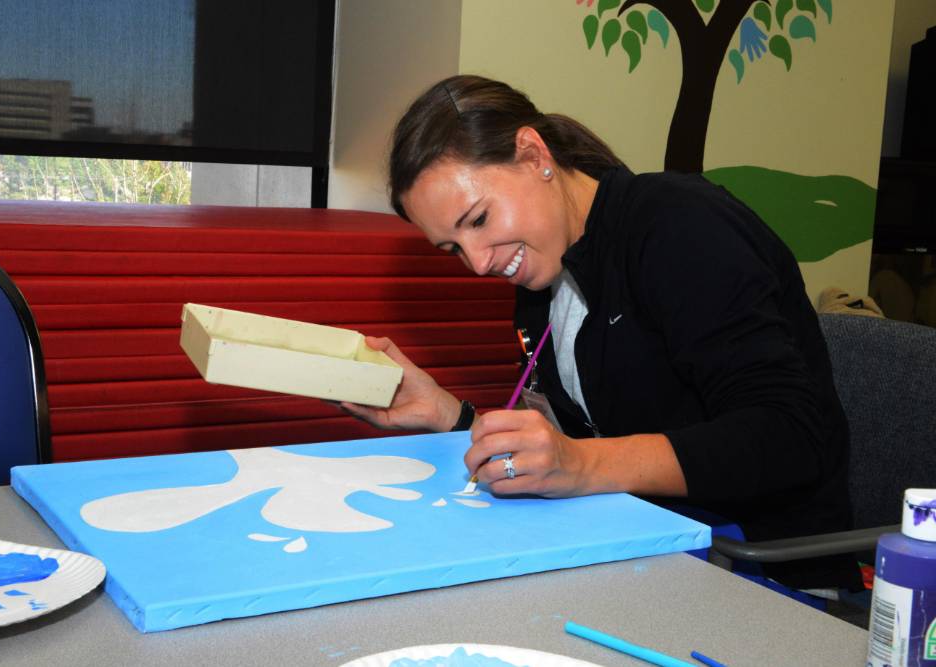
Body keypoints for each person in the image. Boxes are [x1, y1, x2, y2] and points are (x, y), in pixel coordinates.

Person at [340, 75, 859, 590]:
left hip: (759, 571)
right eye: (452, 248)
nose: (477, 264)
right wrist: (449, 415)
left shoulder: (681, 226)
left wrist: (580, 465)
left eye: (478, 220)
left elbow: (790, 437)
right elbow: (577, 451)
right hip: (646, 553)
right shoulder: (544, 274)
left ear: (533, 154)